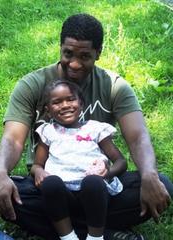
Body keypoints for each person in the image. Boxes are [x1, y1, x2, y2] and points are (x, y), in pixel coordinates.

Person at [0, 13, 173, 240]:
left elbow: (137, 136)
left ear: (99, 53)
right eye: (68, 54)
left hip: (98, 187)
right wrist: (0, 174)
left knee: (161, 185)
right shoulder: (32, 84)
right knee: (12, 197)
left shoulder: (114, 87)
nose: (74, 64)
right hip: (50, 187)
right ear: (60, 48)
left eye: (85, 56)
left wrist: (149, 175)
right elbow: (13, 139)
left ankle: (65, 231)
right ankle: (105, 233)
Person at [31, 80, 127, 240]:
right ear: (48, 111)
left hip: (94, 193)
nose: (65, 105)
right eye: (56, 102)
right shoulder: (48, 131)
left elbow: (121, 162)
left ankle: (95, 237)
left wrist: (106, 173)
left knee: (93, 182)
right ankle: (68, 236)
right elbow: (36, 165)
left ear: (81, 104)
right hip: (62, 196)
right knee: (50, 184)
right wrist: (39, 172)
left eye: (70, 99)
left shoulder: (95, 128)